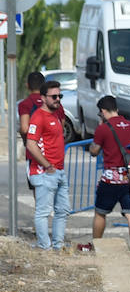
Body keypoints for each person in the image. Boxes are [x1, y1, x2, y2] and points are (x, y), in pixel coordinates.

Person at [89, 96, 130, 251]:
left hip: (110, 179)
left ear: (103, 111)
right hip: (129, 178)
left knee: (100, 213)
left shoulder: (103, 128)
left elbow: (94, 150)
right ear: (116, 109)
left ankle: (96, 245)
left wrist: (100, 127)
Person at [25, 77, 70, 251]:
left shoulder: (55, 115)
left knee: (62, 211)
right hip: (45, 173)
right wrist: (47, 165)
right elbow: (31, 143)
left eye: (60, 96)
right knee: (43, 212)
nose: (58, 99)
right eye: (54, 97)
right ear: (43, 98)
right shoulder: (38, 117)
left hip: (59, 171)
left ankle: (58, 246)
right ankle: (45, 247)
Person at [16, 70, 47, 137]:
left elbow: (25, 129)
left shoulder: (25, 104)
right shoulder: (54, 102)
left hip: (33, 144)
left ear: (27, 85)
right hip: (52, 145)